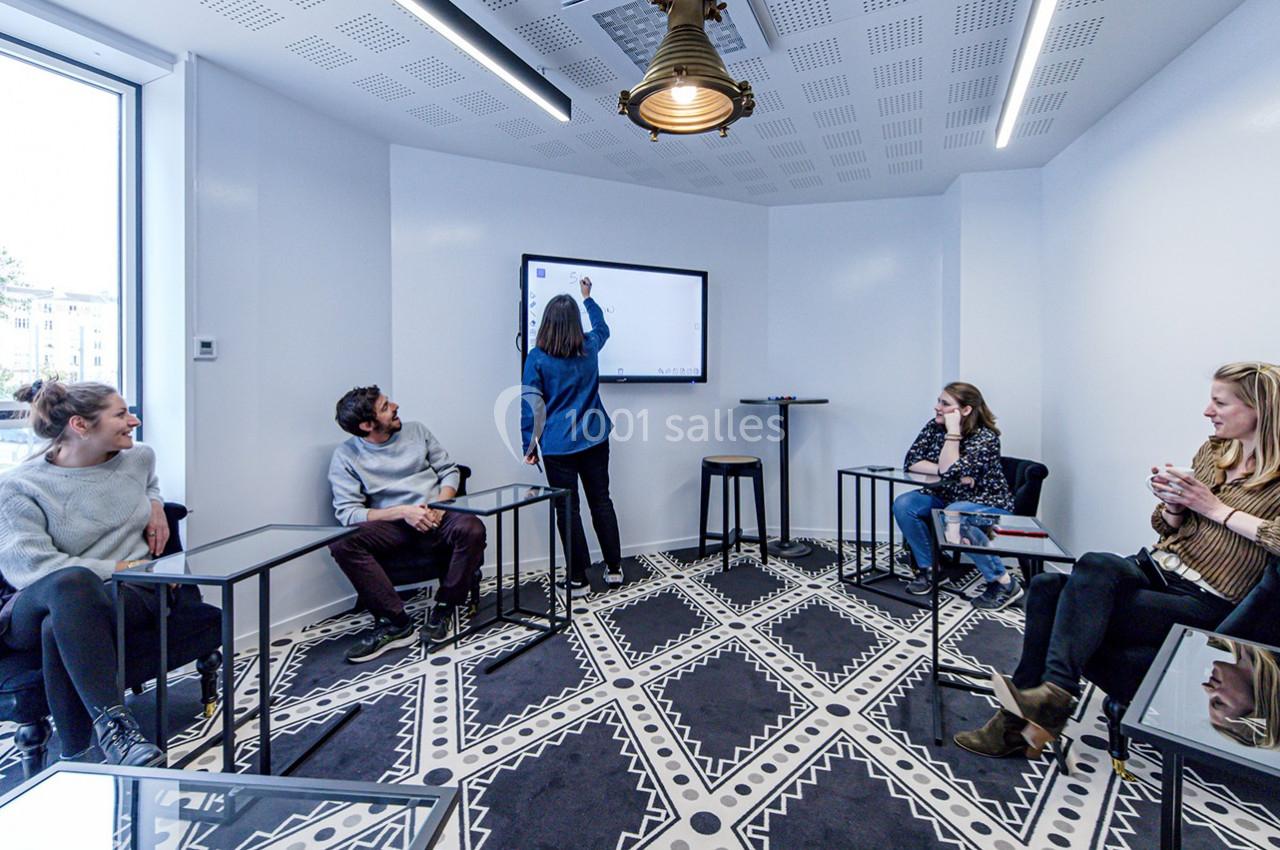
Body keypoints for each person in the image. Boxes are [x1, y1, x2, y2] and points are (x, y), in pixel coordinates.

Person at [955, 362, 1280, 760]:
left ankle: (1024, 717)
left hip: (1204, 598)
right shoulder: (1214, 453)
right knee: (1085, 568)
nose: (1207, 412)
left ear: (1259, 409)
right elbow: (1166, 527)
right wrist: (1174, 505)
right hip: (1156, 567)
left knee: (1052, 593)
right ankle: (1046, 701)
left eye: (1219, 403)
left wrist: (1213, 508)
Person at [0, 381, 174, 766]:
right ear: (80, 424)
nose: (134, 420)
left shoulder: (139, 458)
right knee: (71, 585)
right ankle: (118, 733)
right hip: (38, 598)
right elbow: (32, 568)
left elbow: (148, 484)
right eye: (121, 414)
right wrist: (121, 567)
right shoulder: (18, 486)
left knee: (57, 627)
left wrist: (155, 503)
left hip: (129, 592)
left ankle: (76, 756)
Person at [327, 387, 486, 661]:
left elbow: (449, 470)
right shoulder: (346, 456)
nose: (396, 406)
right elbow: (348, 512)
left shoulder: (417, 431)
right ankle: (396, 623)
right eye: (386, 407)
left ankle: (445, 608)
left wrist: (440, 504)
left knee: (472, 528)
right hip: (394, 526)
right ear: (367, 425)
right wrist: (403, 512)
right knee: (342, 542)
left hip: (437, 514)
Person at [521, 275, 623, 597]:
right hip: (595, 438)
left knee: (568, 510)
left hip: (557, 445)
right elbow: (604, 328)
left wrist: (530, 443)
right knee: (601, 501)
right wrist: (588, 297)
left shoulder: (537, 357)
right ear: (575, 322)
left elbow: (532, 404)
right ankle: (615, 569)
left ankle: (578, 580)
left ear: (547, 323)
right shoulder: (590, 346)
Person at [892, 382, 1020, 609]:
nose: (936, 407)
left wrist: (953, 435)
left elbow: (949, 469)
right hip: (946, 496)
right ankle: (931, 569)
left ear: (966, 410)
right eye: (938, 401)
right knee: (905, 504)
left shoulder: (986, 438)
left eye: (945, 403)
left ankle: (1004, 583)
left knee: (954, 513)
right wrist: (946, 472)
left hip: (987, 503)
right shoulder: (933, 427)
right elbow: (912, 462)